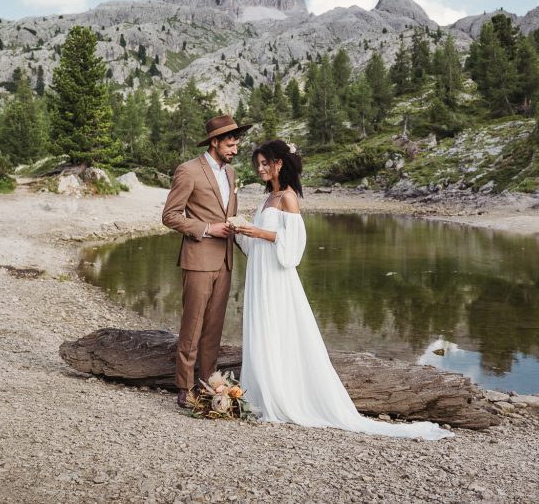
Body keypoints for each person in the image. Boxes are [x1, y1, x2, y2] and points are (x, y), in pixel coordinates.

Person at [233, 140, 452, 440]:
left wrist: (256, 230)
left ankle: (281, 396)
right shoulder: (268, 197)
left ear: (279, 164)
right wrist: (241, 230)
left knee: (277, 328)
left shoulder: (288, 198)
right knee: (261, 327)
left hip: (277, 277)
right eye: (256, 164)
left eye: (264, 163)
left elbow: (293, 247)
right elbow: (258, 242)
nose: (259, 169)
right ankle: (260, 393)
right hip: (260, 272)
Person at [162, 115, 252, 409]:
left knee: (214, 327)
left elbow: (228, 215)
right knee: (193, 324)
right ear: (214, 142)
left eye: (236, 144)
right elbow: (170, 216)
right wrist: (206, 228)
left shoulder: (231, 173)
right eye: (230, 143)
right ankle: (183, 386)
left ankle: (207, 383)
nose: (235, 149)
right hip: (198, 258)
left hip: (225, 261)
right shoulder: (188, 171)